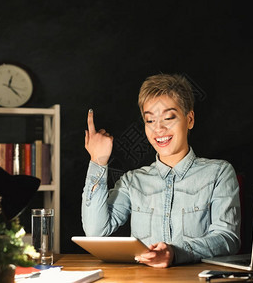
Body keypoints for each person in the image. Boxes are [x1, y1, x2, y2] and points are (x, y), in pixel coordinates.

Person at [82, 74, 241, 268]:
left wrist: (176, 253)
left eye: (168, 117)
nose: (159, 128)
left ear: (189, 119)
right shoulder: (133, 181)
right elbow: (95, 231)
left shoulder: (219, 173)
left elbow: (227, 238)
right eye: (150, 121)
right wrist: (98, 161)